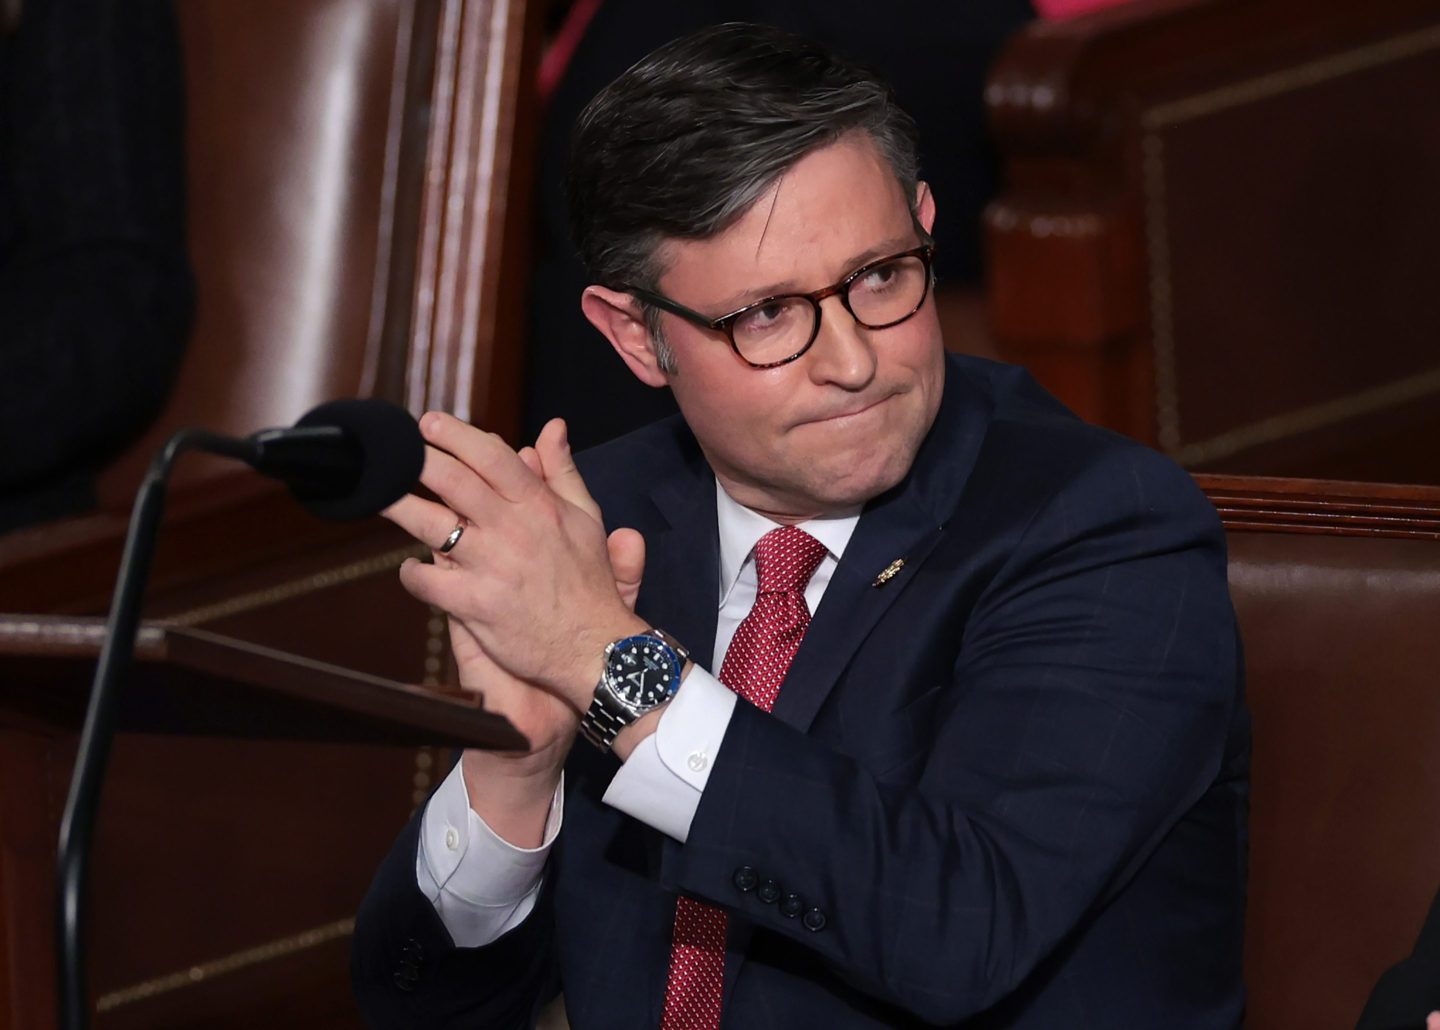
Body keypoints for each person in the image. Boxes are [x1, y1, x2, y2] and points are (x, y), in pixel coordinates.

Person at [352, 23, 1249, 1028]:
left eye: (881, 277)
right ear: (637, 336)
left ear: (924, 223)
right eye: (770, 314)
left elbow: (960, 930)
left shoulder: (1102, 526)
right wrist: (510, 779)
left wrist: (607, 664)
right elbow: (420, 1007)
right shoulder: (603, 520)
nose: (854, 361)